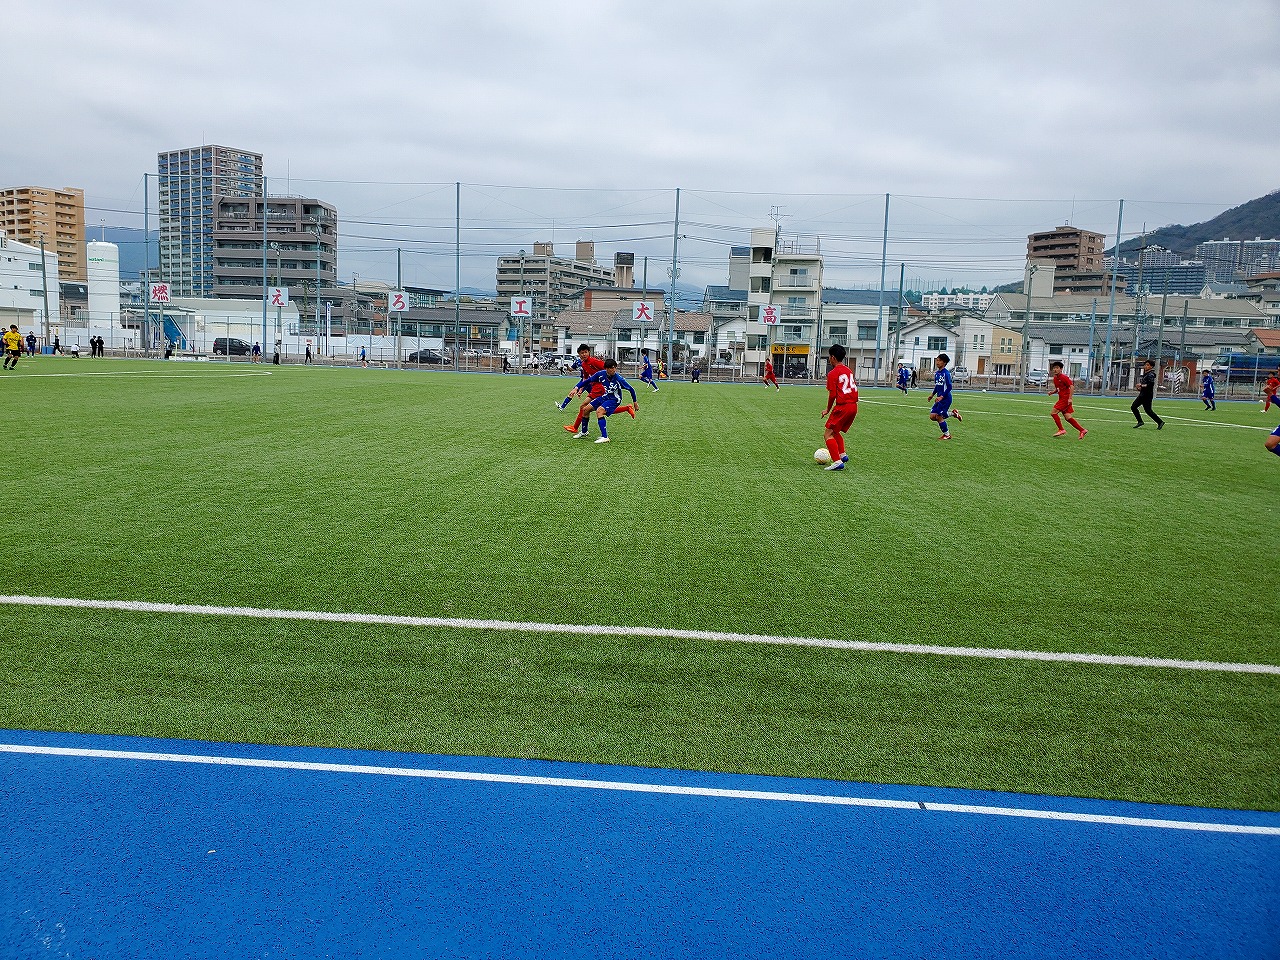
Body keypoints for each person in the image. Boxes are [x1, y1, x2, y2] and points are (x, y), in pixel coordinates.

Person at [573, 358, 638, 443]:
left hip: (615, 399)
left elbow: (631, 389)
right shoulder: (601, 374)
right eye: (611, 368)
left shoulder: (619, 379)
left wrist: (635, 402)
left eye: (614, 367)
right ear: (606, 369)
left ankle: (605, 437)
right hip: (605, 396)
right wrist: (576, 388)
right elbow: (588, 381)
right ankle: (584, 432)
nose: (613, 370)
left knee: (600, 411)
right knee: (585, 409)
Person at [820, 343, 858, 471]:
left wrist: (827, 409)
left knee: (827, 434)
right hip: (853, 406)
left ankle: (837, 461)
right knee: (835, 431)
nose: (829, 359)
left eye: (829, 356)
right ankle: (842, 455)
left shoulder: (833, 373)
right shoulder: (848, 370)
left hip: (843, 406)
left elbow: (832, 395)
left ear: (833, 357)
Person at [559, 344, 606, 433]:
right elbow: (585, 378)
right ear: (579, 354)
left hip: (600, 388)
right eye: (582, 353)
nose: (584, 354)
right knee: (599, 408)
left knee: (587, 407)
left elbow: (609, 369)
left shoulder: (595, 361)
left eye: (586, 352)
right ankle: (581, 430)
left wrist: (608, 382)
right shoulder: (583, 364)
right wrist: (580, 388)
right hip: (595, 387)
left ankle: (577, 428)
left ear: (589, 352)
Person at [1047, 360, 1086, 439]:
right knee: (1068, 417)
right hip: (1062, 398)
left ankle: (1061, 429)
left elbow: (1072, 386)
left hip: (1065, 399)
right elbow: (1058, 389)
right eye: (1054, 368)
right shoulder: (1055, 378)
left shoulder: (1064, 377)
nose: (1055, 369)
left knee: (1053, 413)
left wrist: (1070, 398)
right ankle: (1082, 430)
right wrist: (1052, 392)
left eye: (1057, 368)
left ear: (1061, 369)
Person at [927, 353, 962, 440]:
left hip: (945, 399)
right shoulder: (937, 373)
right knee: (932, 416)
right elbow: (937, 386)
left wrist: (941, 397)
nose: (937, 362)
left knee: (939, 416)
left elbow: (949, 387)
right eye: (937, 360)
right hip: (939, 399)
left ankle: (947, 435)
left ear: (944, 362)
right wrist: (932, 395)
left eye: (939, 360)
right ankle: (953, 413)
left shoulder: (946, 373)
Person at [1131, 360, 1164, 429]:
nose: (1146, 366)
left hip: (1147, 395)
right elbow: (1145, 385)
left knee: (1142, 409)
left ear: (1151, 367)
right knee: (1138, 408)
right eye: (1145, 365)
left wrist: (1141, 385)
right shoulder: (1146, 374)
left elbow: (1150, 384)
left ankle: (1159, 422)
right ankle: (1158, 422)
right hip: (1143, 394)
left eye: (1148, 365)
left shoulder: (1150, 374)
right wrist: (1140, 388)